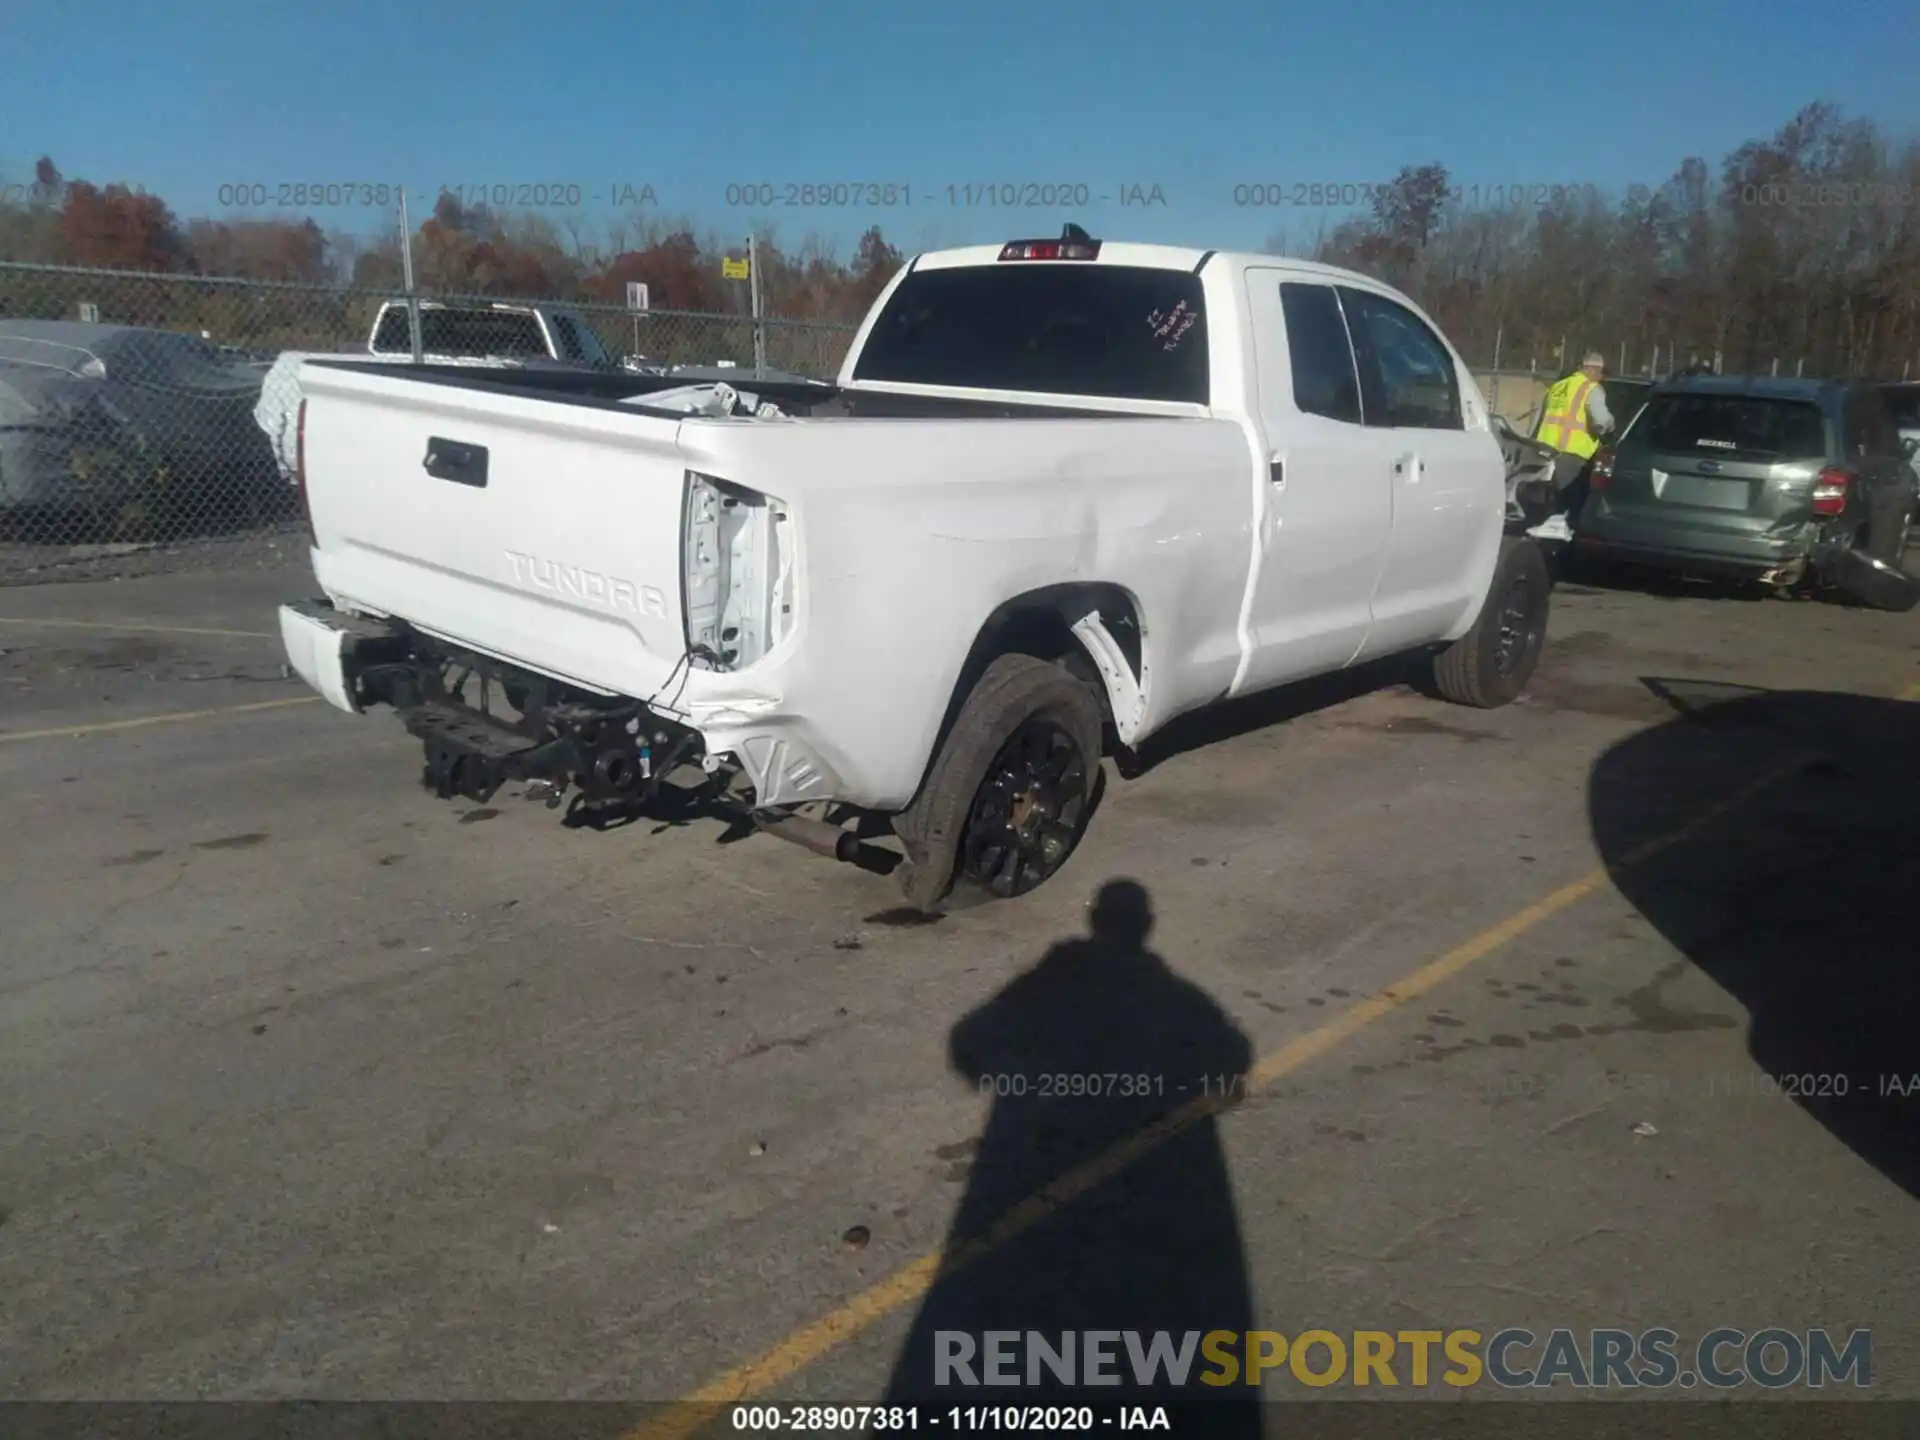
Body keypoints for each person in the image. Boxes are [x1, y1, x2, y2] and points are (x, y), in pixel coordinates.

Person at [1529, 351, 1613, 540]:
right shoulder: (1591, 388)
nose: (1601, 377)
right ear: (1593, 369)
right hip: (1573, 455)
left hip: (1544, 451)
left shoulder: (1557, 386)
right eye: (1601, 372)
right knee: (1570, 506)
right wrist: (1612, 427)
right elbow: (1601, 422)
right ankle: (1563, 547)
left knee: (1548, 501)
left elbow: (1538, 420)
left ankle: (1539, 539)